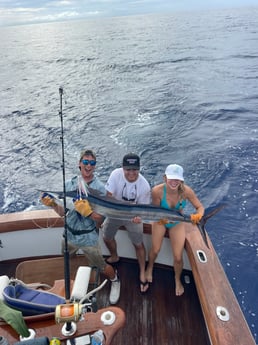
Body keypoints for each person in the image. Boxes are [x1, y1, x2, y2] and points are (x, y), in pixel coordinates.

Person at [41, 149, 121, 305]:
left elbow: (100, 221)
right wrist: (52, 204)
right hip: (69, 236)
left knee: (101, 266)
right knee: (67, 259)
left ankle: (115, 279)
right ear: (79, 163)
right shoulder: (69, 184)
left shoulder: (100, 189)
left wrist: (88, 212)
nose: (88, 165)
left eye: (92, 163)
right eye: (85, 162)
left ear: (95, 166)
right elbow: (63, 213)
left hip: (88, 238)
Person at [145, 164, 204, 296]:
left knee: (178, 257)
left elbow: (200, 207)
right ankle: (149, 268)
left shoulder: (187, 191)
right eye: (171, 178)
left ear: (181, 180)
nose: (174, 182)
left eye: (177, 179)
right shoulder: (157, 191)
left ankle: (177, 280)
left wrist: (198, 216)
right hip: (161, 221)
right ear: (165, 178)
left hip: (177, 223)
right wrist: (163, 220)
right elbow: (155, 211)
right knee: (155, 249)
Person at [102, 153, 151, 293]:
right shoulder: (115, 175)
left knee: (138, 244)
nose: (131, 173)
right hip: (114, 212)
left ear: (139, 169)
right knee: (106, 236)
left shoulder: (144, 185)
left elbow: (143, 210)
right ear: (123, 168)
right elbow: (108, 196)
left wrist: (138, 218)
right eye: (128, 169)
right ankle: (114, 256)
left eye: (134, 169)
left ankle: (142, 271)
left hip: (133, 216)